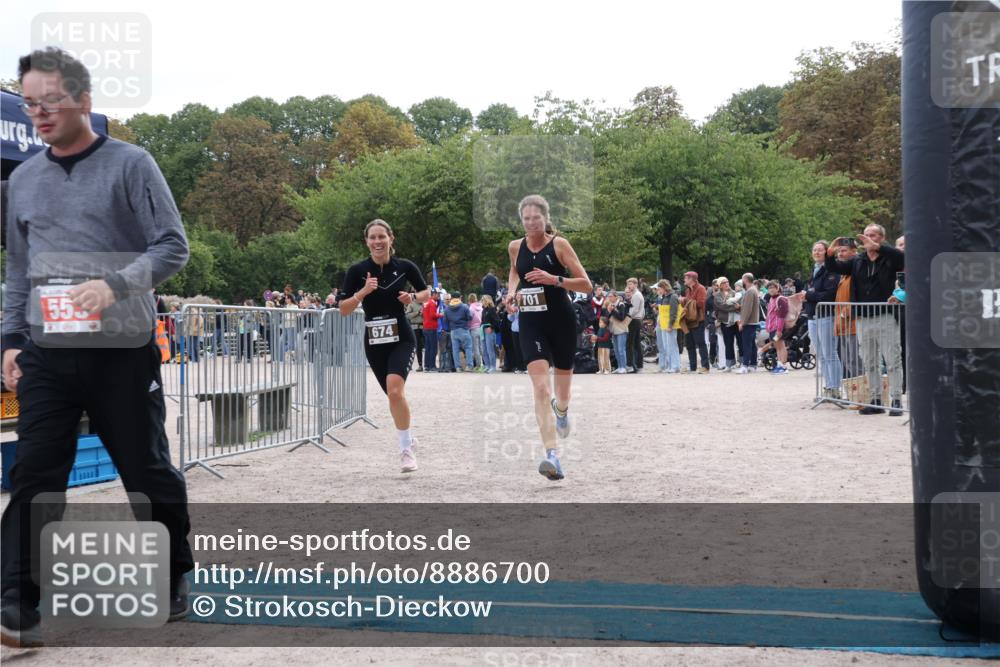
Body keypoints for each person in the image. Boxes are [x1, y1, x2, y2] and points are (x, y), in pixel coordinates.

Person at [1, 48, 194, 646]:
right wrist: (9, 340)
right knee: (35, 470)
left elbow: (172, 247)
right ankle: (16, 599)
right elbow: (19, 269)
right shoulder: (23, 180)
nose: (39, 112)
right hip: (47, 352)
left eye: (50, 100)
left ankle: (176, 571)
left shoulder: (132, 164)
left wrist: (113, 286)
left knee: (145, 467)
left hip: (123, 349)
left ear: (84, 101)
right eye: (30, 102)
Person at [505, 194, 591, 480]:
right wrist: (511, 292)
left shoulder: (560, 245)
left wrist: (556, 280)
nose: (531, 223)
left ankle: (563, 411)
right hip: (531, 323)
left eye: (535, 218)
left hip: (561, 320)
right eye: (526, 219)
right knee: (541, 388)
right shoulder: (515, 247)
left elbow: (587, 285)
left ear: (545, 218)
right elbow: (515, 272)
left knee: (562, 391)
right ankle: (551, 456)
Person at [339, 219, 429, 472]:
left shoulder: (405, 267)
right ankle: (408, 436)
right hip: (374, 340)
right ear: (366, 241)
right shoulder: (357, 271)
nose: (377, 242)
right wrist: (362, 293)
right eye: (372, 238)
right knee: (393, 395)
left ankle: (405, 451)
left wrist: (411, 296)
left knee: (395, 391)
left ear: (391, 238)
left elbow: (426, 293)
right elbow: (344, 309)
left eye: (382, 237)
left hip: (401, 336)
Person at [825, 225, 905, 415]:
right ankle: (875, 399)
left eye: (873, 235)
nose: (868, 238)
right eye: (866, 235)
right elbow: (836, 267)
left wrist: (878, 247)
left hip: (885, 316)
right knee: (869, 361)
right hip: (863, 317)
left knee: (892, 359)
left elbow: (902, 258)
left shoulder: (889, 258)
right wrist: (830, 254)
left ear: (882, 237)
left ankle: (895, 400)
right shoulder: (858, 260)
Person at [802, 241, 844, 399]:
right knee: (821, 354)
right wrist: (806, 295)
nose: (817, 252)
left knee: (830, 352)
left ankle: (835, 388)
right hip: (812, 315)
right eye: (815, 250)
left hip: (827, 314)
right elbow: (814, 291)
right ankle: (829, 386)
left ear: (827, 252)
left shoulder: (831, 269)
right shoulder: (814, 269)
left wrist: (808, 295)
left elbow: (829, 294)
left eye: (820, 250)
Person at [680, 272, 710, 373]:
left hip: (698, 319)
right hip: (689, 319)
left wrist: (685, 300)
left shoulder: (701, 288)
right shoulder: (688, 289)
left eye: (686, 278)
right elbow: (689, 302)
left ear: (692, 279)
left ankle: (705, 366)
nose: (684, 280)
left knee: (700, 343)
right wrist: (685, 300)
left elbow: (701, 303)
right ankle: (692, 367)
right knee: (689, 344)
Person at [713, 277, 740, 371]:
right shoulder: (717, 295)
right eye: (724, 282)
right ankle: (729, 364)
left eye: (727, 282)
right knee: (728, 343)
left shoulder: (735, 293)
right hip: (724, 322)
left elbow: (739, 303)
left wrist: (736, 306)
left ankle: (742, 362)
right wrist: (735, 308)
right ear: (720, 285)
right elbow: (722, 306)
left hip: (736, 321)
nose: (726, 284)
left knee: (740, 342)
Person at [654, 279, 681, 373]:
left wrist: (670, 325)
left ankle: (675, 366)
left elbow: (673, 312)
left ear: (664, 287)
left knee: (672, 345)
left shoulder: (673, 296)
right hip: (664, 325)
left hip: (670, 325)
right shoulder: (664, 297)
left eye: (659, 288)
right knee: (666, 346)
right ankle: (670, 366)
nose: (658, 290)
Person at [736, 273, 761, 373]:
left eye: (742, 279)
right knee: (751, 344)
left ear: (745, 280)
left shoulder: (750, 291)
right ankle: (753, 364)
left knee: (746, 344)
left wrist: (742, 322)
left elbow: (747, 309)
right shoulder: (753, 290)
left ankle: (745, 365)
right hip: (753, 321)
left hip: (749, 322)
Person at [764, 281, 790, 374]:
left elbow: (781, 316)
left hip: (778, 328)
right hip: (773, 328)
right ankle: (780, 365)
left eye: (773, 287)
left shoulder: (781, 299)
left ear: (777, 288)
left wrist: (779, 330)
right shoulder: (771, 299)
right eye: (769, 288)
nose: (771, 289)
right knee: (777, 347)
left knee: (781, 346)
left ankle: (784, 366)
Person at [444, 292, 474, 371]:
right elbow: (469, 317)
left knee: (455, 350)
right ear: (460, 297)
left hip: (453, 330)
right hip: (464, 329)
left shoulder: (447, 308)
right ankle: (469, 366)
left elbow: (445, 320)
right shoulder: (464, 306)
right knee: (468, 348)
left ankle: (458, 367)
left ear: (452, 298)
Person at [606, 292, 630, 373]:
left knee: (621, 349)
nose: (609, 298)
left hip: (621, 329)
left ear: (616, 297)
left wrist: (613, 311)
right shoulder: (610, 305)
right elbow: (607, 318)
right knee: (616, 350)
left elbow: (621, 317)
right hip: (613, 329)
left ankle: (623, 367)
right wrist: (609, 311)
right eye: (608, 296)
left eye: (611, 296)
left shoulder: (621, 304)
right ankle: (619, 366)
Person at [624, 277, 644, 372]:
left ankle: (630, 365)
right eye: (628, 284)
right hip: (638, 320)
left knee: (630, 343)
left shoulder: (636, 295)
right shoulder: (637, 294)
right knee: (636, 343)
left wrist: (627, 317)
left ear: (635, 284)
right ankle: (639, 366)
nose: (629, 286)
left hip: (634, 320)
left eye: (630, 284)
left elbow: (634, 310)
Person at [421, 290, 442, 372]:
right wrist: (441, 315)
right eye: (438, 294)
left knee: (428, 347)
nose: (439, 296)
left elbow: (423, 313)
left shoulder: (426, 303)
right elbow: (433, 315)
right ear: (433, 294)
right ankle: (432, 366)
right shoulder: (432, 303)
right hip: (431, 328)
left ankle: (427, 366)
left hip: (426, 327)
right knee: (433, 347)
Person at [480, 295, 500, 373]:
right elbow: (482, 321)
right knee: (484, 350)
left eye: (482, 300)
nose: (481, 301)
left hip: (490, 331)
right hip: (483, 330)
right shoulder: (483, 310)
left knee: (490, 350)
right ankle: (487, 365)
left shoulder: (492, 309)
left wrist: (491, 327)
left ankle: (493, 366)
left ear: (487, 300)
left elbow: (497, 321)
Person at [405, 295, 424, 371]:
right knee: (417, 347)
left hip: (424, 327)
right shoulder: (411, 304)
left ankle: (425, 365)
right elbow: (407, 316)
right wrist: (417, 312)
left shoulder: (424, 304)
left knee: (424, 347)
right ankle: (418, 365)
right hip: (415, 328)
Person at [467, 293, 484, 371]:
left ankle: (478, 365)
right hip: (480, 328)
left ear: (469, 300)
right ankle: (485, 364)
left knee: (475, 349)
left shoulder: (471, 308)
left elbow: (469, 319)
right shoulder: (480, 306)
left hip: (473, 329)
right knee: (482, 348)